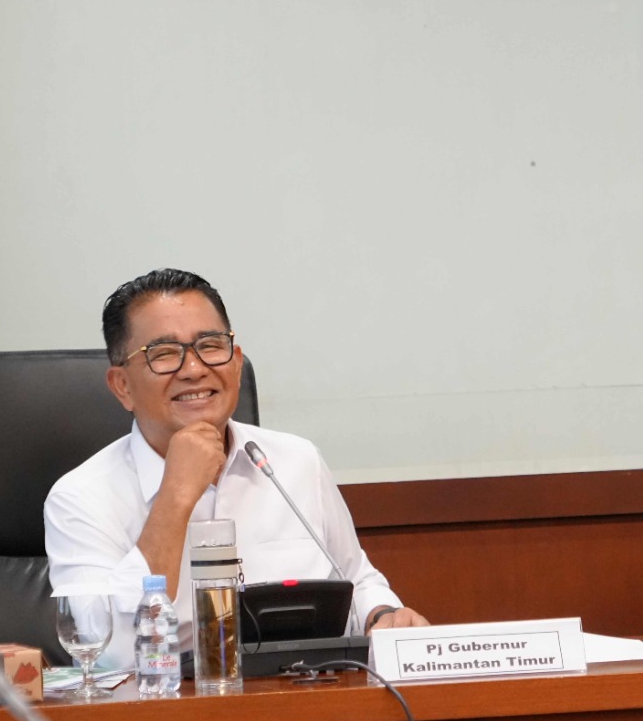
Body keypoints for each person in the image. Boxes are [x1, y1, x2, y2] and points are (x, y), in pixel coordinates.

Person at [45, 268, 428, 667]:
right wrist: (175, 496)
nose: (194, 369)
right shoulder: (79, 498)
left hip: (299, 688)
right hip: (171, 700)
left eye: (210, 346)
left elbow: (356, 578)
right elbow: (108, 655)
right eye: (164, 354)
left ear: (237, 362)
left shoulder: (295, 462)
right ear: (122, 386)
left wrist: (382, 614)